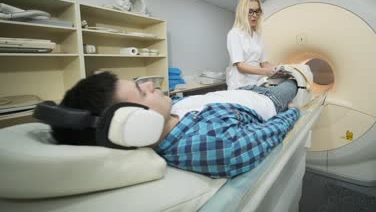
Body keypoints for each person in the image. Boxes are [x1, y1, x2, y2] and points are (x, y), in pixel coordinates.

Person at [51, 72, 300, 178]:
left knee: (271, 78)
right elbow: (271, 131)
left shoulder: (169, 115)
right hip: (269, 101)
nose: (149, 84)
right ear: (134, 124)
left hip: (239, 91)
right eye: (141, 91)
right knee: (290, 82)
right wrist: (292, 113)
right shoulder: (216, 146)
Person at [226, 0, 277, 90]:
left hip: (256, 84)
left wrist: (280, 68)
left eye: (257, 11)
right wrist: (265, 71)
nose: (255, 15)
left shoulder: (257, 36)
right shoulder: (235, 33)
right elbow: (240, 66)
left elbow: (264, 63)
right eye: (250, 12)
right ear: (242, 13)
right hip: (240, 86)